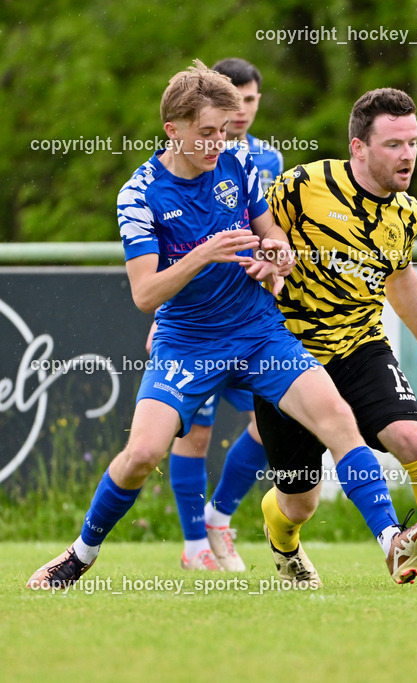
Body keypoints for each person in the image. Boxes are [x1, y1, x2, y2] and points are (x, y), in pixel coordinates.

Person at [27, 61, 417, 591]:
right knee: (142, 455)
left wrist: (277, 255)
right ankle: (79, 555)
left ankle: (391, 540)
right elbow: (145, 293)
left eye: (223, 132)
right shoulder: (140, 195)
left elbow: (272, 236)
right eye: (205, 134)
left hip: (258, 332)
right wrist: (203, 253)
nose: (217, 144)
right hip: (187, 342)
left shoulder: (240, 165)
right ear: (171, 130)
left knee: (339, 417)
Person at [255, 87, 417, 589]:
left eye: (414, 143)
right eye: (394, 144)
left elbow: (398, 276)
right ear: (359, 147)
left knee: (414, 440)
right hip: (285, 352)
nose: (409, 155)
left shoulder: (405, 212)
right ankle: (280, 531)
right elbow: (256, 228)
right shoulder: (302, 186)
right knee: (299, 499)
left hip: (359, 346)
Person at [160, 58, 284, 573]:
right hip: (195, 324)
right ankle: (194, 546)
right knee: (196, 432)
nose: (245, 112)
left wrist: (278, 258)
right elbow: (167, 252)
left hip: (248, 317)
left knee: (271, 418)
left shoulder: (264, 160)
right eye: (241, 100)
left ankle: (220, 516)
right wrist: (162, 315)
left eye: (253, 101)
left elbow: (274, 232)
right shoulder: (183, 157)